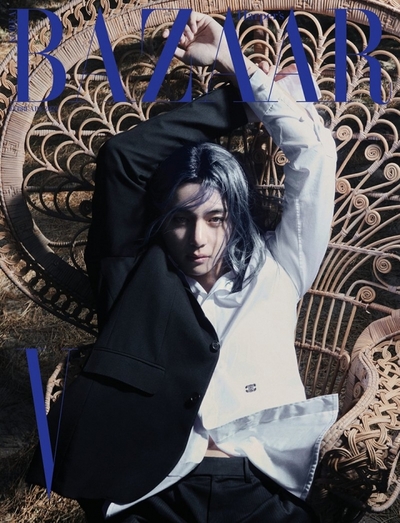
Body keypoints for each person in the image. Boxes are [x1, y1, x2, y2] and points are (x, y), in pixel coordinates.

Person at [28, 11, 338, 523]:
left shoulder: (280, 269)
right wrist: (237, 104)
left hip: (261, 488)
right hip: (156, 492)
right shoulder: (135, 282)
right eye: (180, 220)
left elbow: (314, 152)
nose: (198, 239)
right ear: (161, 224)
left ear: (237, 217)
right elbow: (123, 159)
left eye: (216, 218)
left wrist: (237, 66)